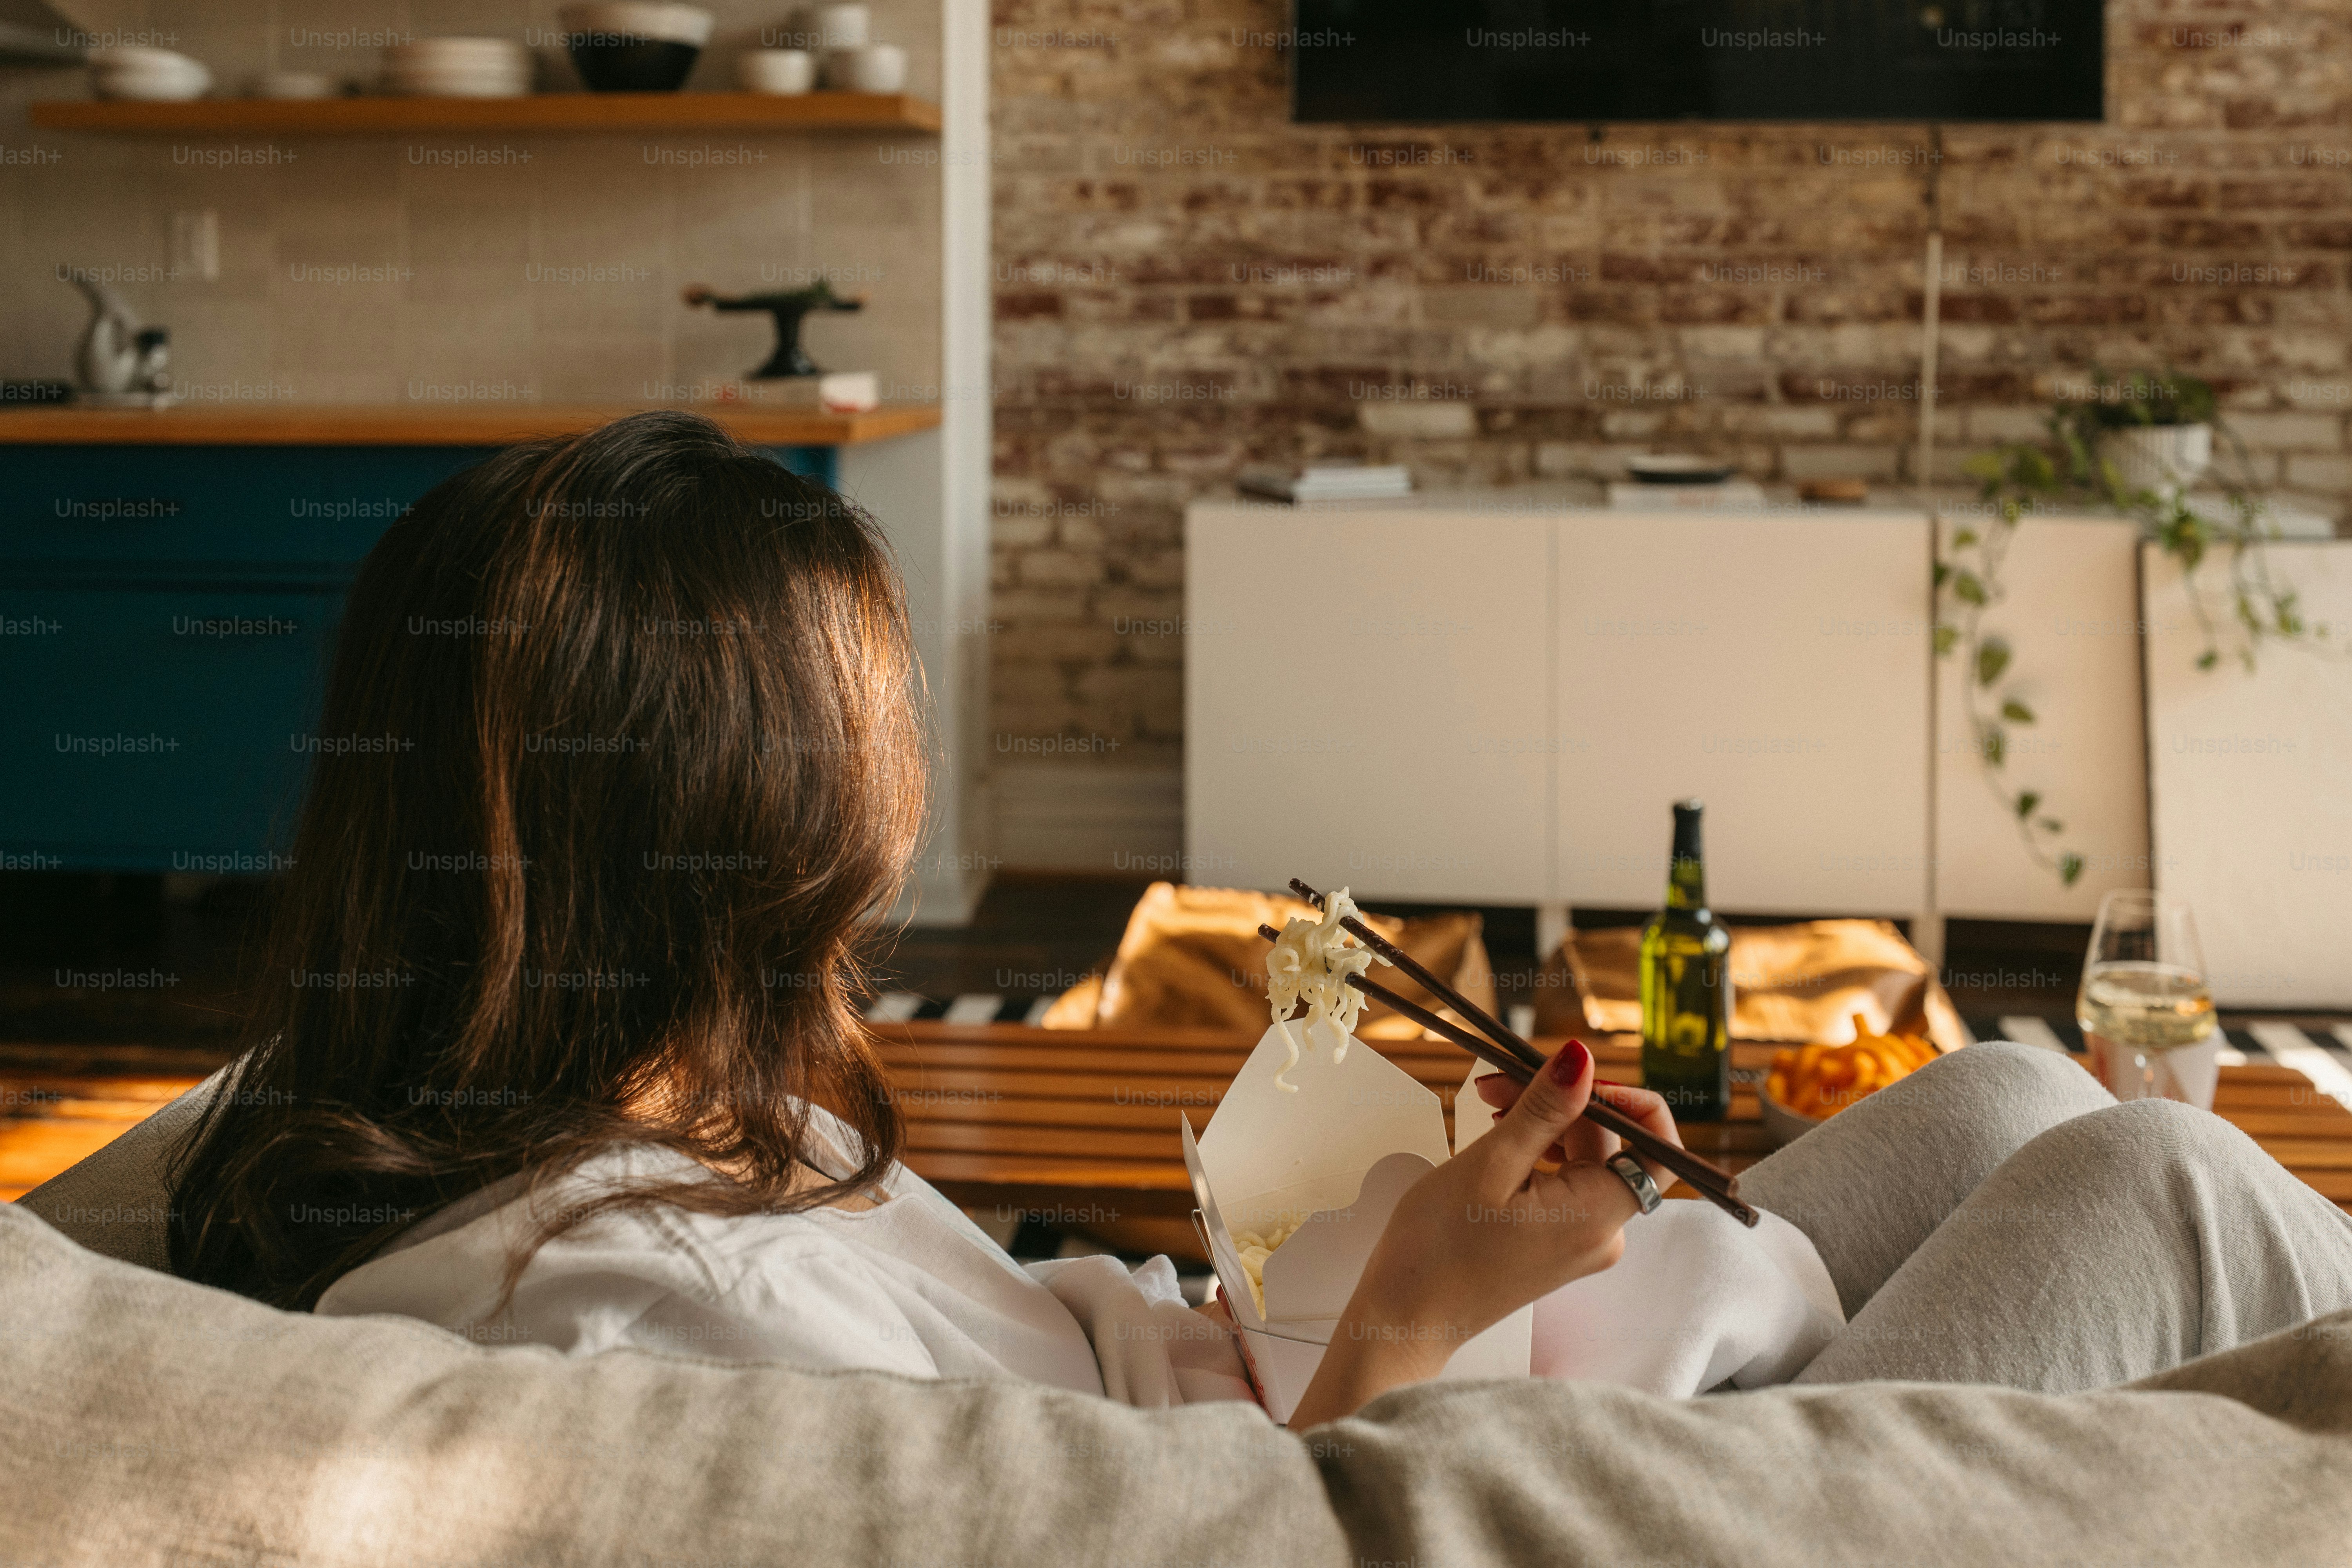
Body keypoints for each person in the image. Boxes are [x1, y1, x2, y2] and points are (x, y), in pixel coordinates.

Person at [167, 413, 2352, 1426]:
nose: (901, 760)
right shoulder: (629, 1330)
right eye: (869, 716)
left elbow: (1018, 1375)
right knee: (2158, 1183)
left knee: (2010, 1095)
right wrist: (1405, 1321)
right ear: (727, 815)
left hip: (1292, 1379)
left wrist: (1352, 1260)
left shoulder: (607, 1123)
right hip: (1435, 1471)